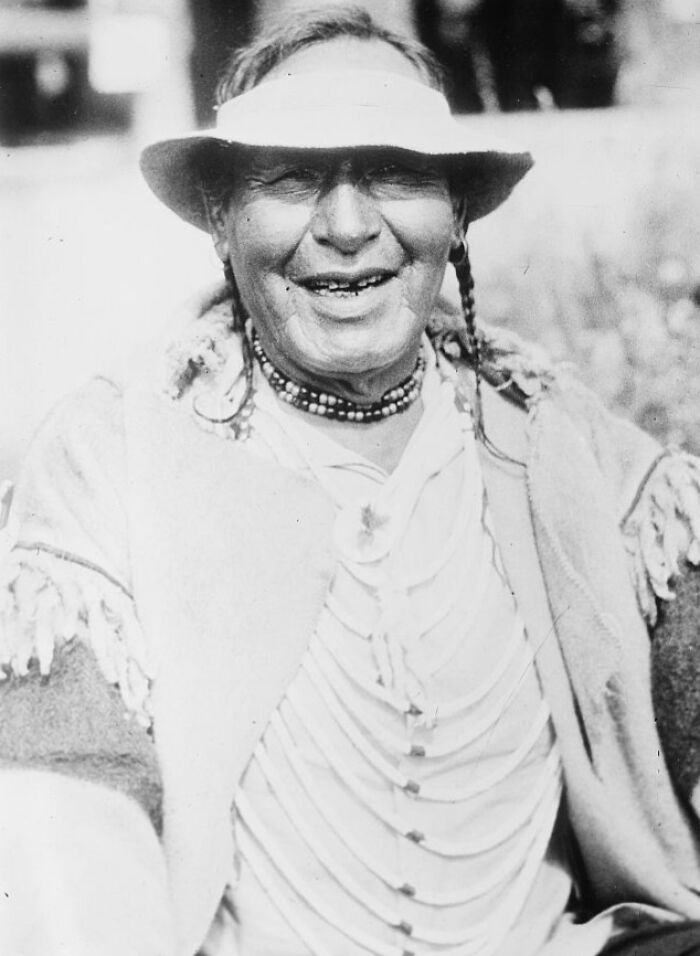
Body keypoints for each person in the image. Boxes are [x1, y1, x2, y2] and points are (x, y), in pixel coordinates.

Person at [1, 7, 700, 956]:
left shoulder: (562, 448)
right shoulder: (115, 452)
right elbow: (67, 822)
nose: (346, 227)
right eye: (289, 178)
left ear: (454, 209)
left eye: (396, 174)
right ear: (219, 214)